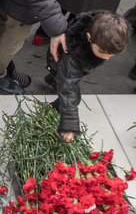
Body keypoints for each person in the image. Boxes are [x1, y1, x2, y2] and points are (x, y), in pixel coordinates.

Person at [52, 11, 128, 139]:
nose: (108, 58)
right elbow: (67, 88)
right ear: (89, 37)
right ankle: (52, 110)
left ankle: (53, 79)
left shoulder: (104, 30)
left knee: (66, 81)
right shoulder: (72, 57)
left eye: (112, 54)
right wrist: (69, 125)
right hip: (58, 63)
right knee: (73, 96)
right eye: (103, 52)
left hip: (71, 69)